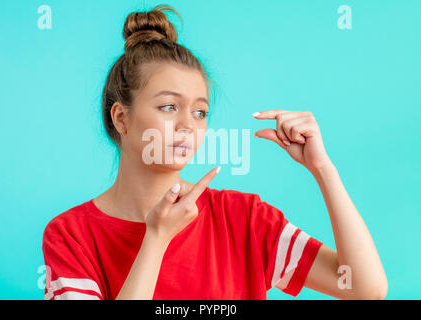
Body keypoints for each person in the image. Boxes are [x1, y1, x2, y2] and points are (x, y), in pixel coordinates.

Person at [42, 4, 387, 300]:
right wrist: (157, 238)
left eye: (200, 112)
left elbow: (365, 288)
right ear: (121, 117)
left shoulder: (244, 219)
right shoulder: (70, 236)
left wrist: (322, 169)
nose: (187, 126)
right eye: (167, 107)